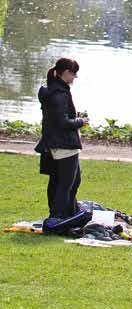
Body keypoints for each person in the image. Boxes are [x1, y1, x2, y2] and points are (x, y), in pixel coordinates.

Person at [34, 57, 89, 221]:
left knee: (59, 180)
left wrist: (74, 117)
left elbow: (56, 118)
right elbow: (62, 122)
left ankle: (65, 211)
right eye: (73, 74)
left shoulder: (52, 90)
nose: (75, 78)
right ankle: (60, 216)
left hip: (53, 143)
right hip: (64, 145)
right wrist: (81, 121)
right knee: (67, 183)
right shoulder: (59, 94)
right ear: (65, 73)